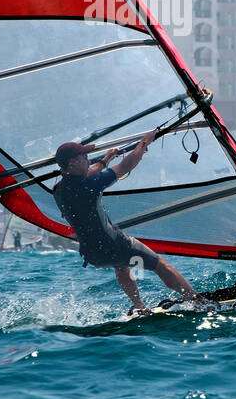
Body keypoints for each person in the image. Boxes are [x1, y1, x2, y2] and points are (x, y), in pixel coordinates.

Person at [52, 133, 204, 314]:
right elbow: (126, 166)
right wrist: (144, 143)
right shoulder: (89, 185)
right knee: (160, 265)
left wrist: (106, 158)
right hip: (114, 243)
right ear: (72, 163)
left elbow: (87, 174)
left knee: (121, 264)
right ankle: (197, 301)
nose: (87, 160)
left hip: (92, 254)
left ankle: (139, 306)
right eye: (84, 157)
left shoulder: (59, 189)